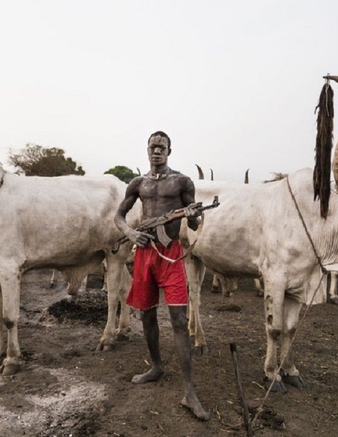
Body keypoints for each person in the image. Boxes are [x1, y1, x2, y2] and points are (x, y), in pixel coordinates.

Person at [114, 130, 210, 421]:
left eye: (162, 147)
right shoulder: (137, 184)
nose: (157, 151)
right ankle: (156, 367)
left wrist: (191, 214)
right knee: (146, 315)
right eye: (153, 146)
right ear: (147, 150)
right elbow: (119, 216)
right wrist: (131, 232)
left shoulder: (181, 181)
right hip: (144, 255)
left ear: (170, 150)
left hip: (171, 256)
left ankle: (189, 392)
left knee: (180, 319)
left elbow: (194, 223)